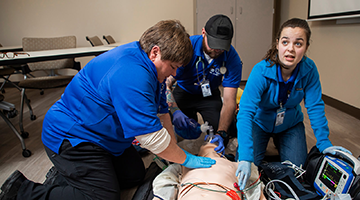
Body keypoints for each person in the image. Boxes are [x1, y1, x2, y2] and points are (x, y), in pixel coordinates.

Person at [0, 20, 216, 200]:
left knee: (134, 175)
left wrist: (174, 154)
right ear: (155, 52)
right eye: (173, 67)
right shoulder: (132, 73)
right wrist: (185, 159)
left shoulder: (151, 68)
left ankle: (76, 174)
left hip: (103, 137)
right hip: (72, 136)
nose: (175, 74)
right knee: (103, 196)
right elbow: (152, 139)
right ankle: (21, 191)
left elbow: (161, 114)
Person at [235, 18, 352, 191]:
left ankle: (281, 142)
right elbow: (245, 112)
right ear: (277, 45)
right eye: (285, 42)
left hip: (290, 124)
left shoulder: (309, 70)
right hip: (260, 122)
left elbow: (315, 106)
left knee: (297, 171)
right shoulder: (260, 71)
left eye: (298, 43)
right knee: (248, 167)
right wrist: (245, 157)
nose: (290, 49)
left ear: (305, 47)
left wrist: (324, 143)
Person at [166, 14, 243, 151]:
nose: (217, 50)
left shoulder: (232, 58)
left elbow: (229, 101)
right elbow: (165, 85)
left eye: (222, 46)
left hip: (209, 94)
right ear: (203, 33)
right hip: (184, 91)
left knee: (223, 131)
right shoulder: (186, 48)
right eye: (213, 44)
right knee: (184, 128)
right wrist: (175, 110)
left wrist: (221, 132)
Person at [152, 142, 266, 200]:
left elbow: (254, 185)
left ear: (221, 153)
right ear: (200, 152)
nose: (210, 144)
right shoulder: (186, 164)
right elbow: (165, 180)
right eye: (205, 144)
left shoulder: (238, 165)